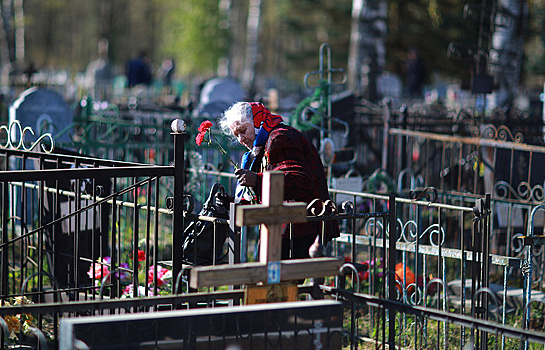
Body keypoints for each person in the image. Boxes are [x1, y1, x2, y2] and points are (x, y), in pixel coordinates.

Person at [218, 101, 340, 260]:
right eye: (236, 135)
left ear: (257, 122)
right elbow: (273, 195)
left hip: (301, 227)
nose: (241, 139)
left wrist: (257, 180)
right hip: (292, 226)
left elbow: (301, 181)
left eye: (243, 131)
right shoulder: (266, 142)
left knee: (278, 282)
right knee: (274, 282)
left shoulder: (279, 138)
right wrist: (233, 202)